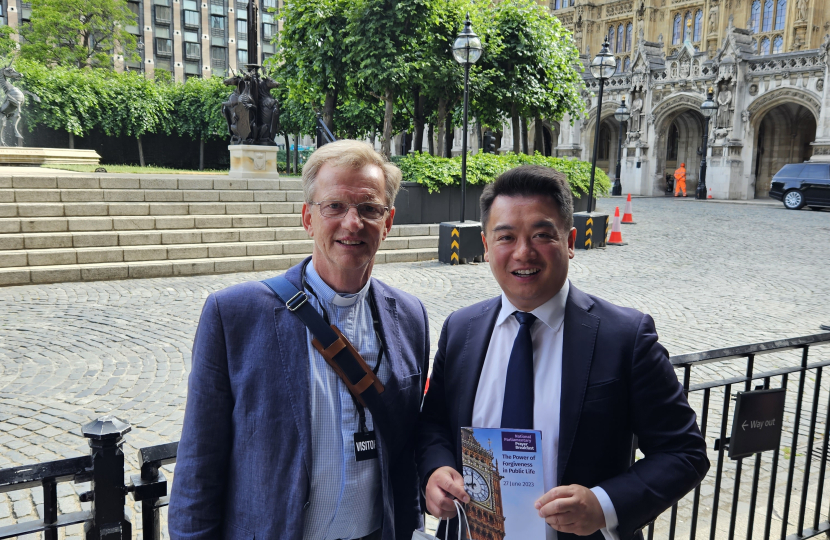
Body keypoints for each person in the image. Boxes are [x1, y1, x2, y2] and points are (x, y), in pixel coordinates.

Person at [417, 165, 709, 540]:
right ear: (487, 247)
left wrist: (604, 504)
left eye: (542, 235)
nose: (523, 253)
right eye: (506, 237)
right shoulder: (462, 329)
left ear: (570, 241)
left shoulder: (624, 336)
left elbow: (683, 452)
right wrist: (434, 472)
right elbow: (434, 424)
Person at [169, 140, 430, 540]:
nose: (352, 222)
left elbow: (406, 448)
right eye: (335, 206)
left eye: (369, 208)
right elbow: (199, 463)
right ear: (308, 218)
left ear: (389, 221)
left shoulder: (409, 317)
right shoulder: (235, 315)